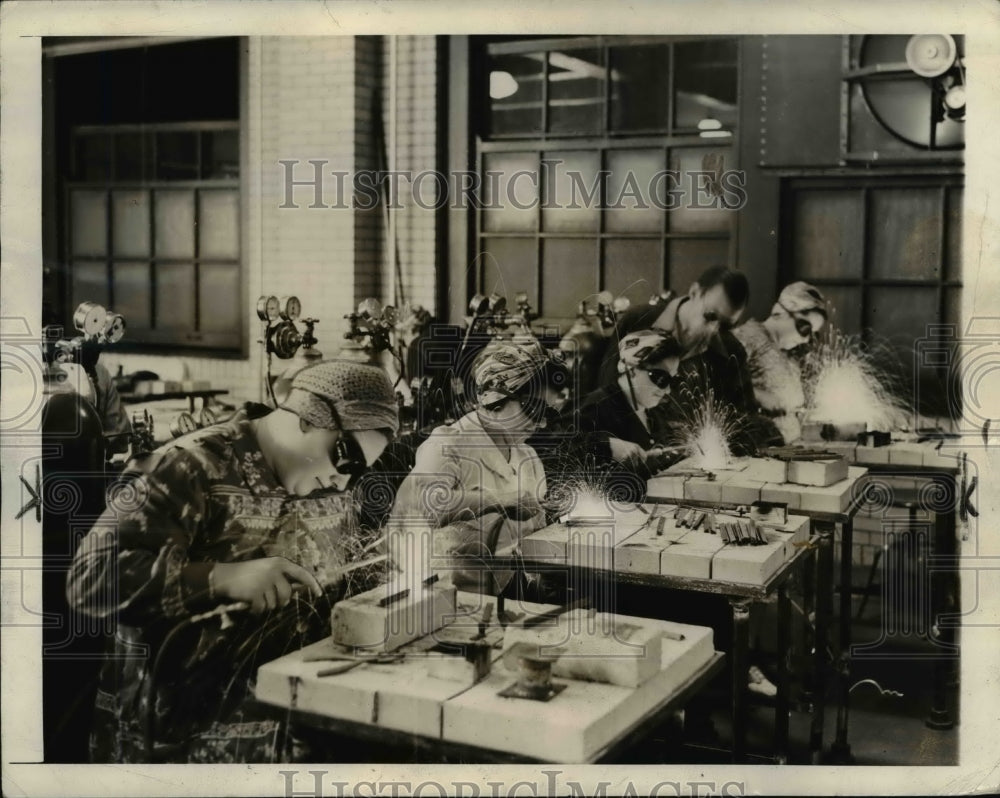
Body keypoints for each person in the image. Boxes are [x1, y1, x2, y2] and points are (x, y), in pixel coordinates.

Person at [66, 359, 399, 763]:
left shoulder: (328, 484)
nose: (344, 480)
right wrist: (221, 578)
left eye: (359, 470)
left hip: (284, 735)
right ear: (308, 418)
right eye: (346, 458)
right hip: (177, 742)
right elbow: (90, 580)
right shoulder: (190, 465)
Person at [388, 338, 569, 595]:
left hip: (512, 592)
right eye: (533, 409)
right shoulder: (449, 444)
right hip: (451, 597)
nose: (540, 424)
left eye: (548, 414)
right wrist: (501, 501)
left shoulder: (528, 457)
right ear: (495, 396)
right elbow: (418, 509)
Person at [570, 329, 685, 476]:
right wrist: (606, 446)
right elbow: (554, 443)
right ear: (631, 370)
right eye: (661, 378)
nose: (668, 390)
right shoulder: (596, 407)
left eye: (672, 381)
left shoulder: (652, 410)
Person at [732, 281, 828, 444]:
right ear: (781, 312)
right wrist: (758, 396)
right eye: (805, 328)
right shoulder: (747, 337)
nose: (806, 339)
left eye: (812, 335)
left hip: (784, 445)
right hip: (756, 445)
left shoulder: (786, 352)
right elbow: (718, 383)